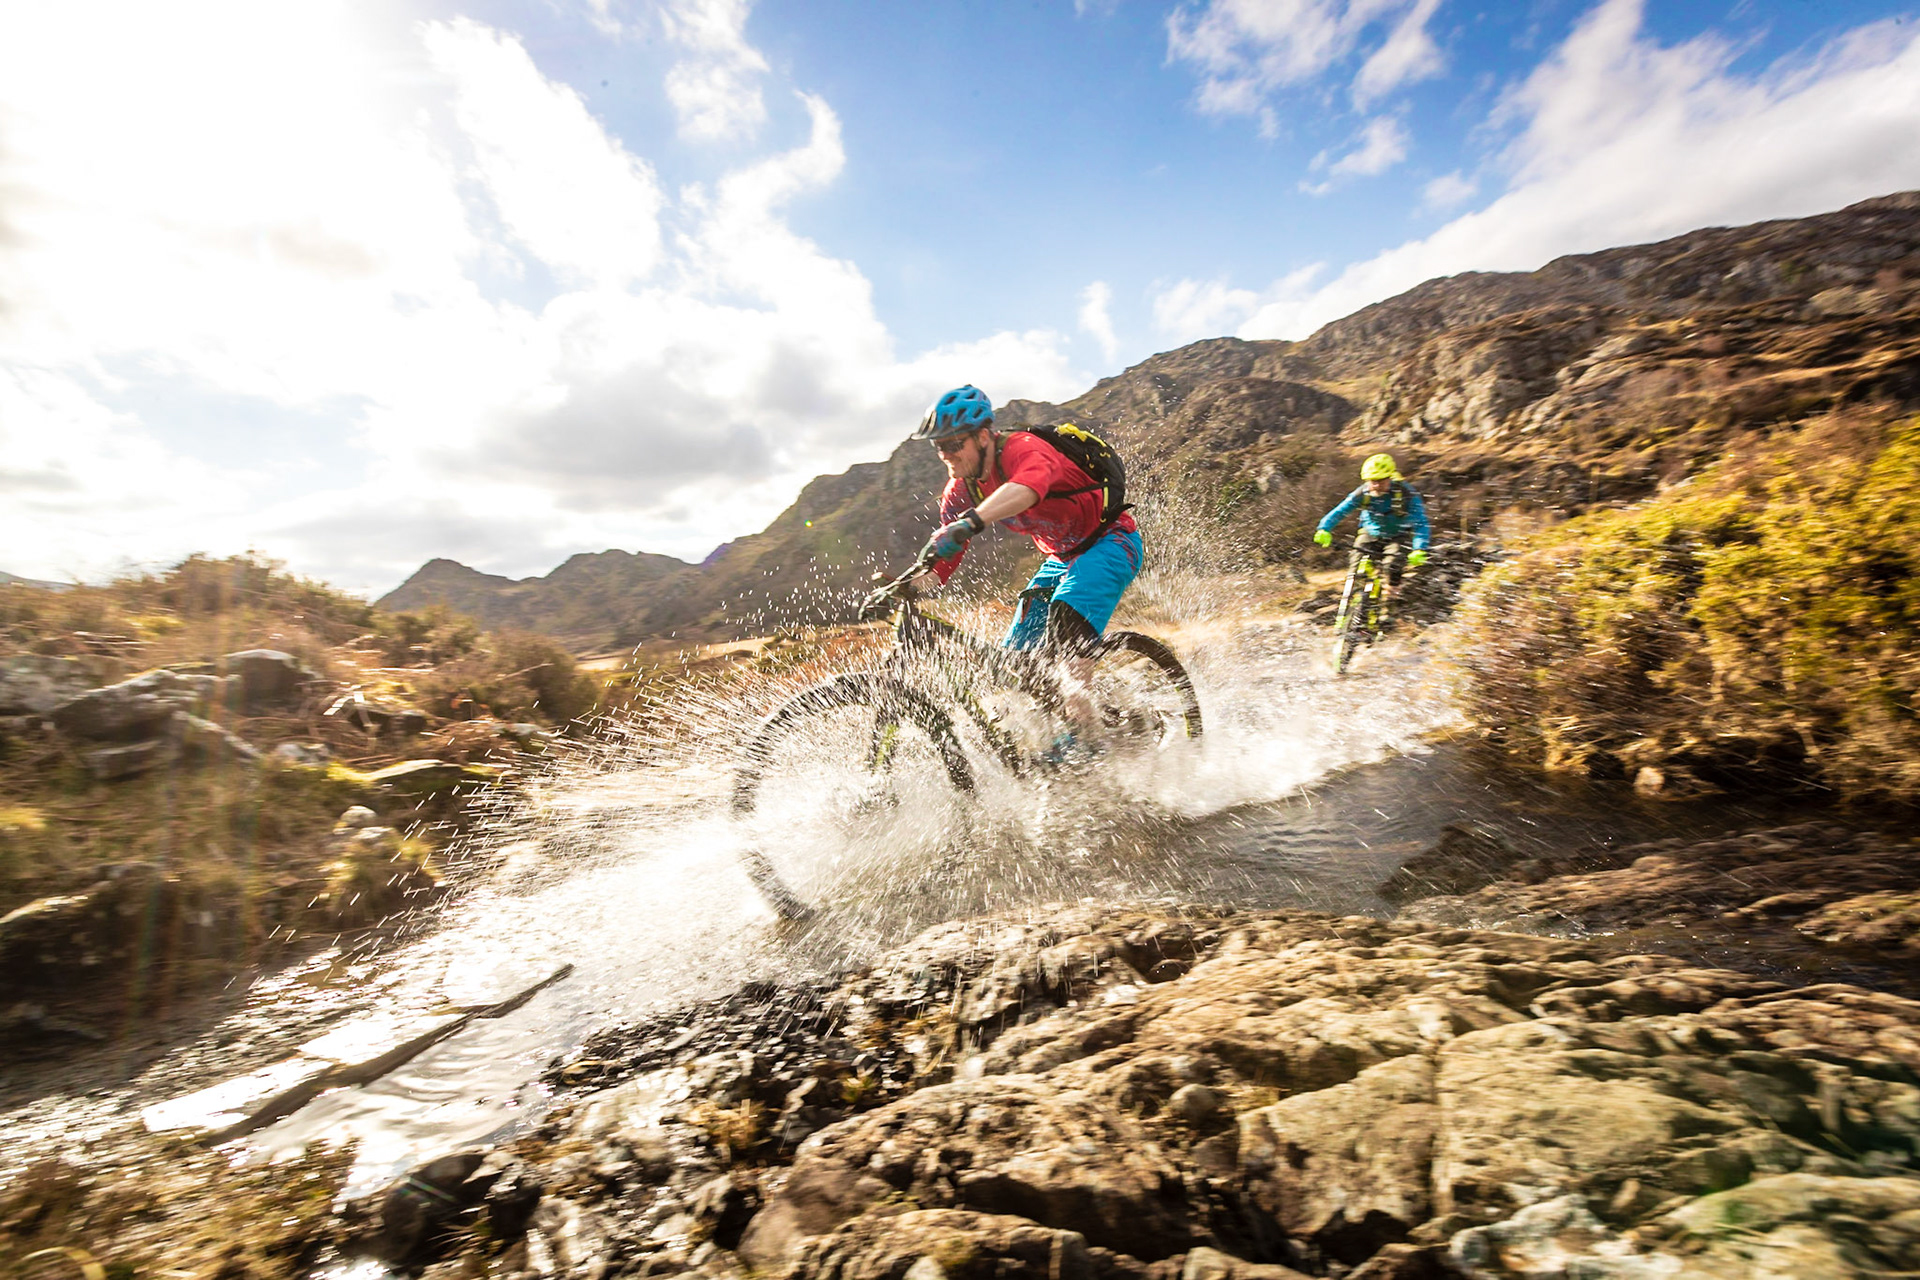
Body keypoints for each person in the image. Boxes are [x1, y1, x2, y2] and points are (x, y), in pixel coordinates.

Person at [899, 385, 1143, 755]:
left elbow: (1028, 487)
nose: (946, 454)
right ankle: (1075, 723)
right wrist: (906, 587)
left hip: (1110, 542)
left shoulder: (1023, 449)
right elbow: (943, 558)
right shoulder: (961, 490)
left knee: (1068, 644)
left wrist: (971, 522)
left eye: (954, 443)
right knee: (1015, 665)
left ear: (983, 436)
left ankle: (1093, 748)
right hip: (1061, 559)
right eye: (939, 446)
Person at [1313, 453, 1430, 629]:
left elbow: (1421, 522)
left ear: (1390, 477)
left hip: (1398, 536)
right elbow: (1340, 510)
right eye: (1371, 481)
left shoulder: (1406, 494)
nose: (1375, 485)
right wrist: (1324, 528)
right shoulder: (1363, 492)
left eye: (1380, 481)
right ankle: (1347, 611)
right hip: (1369, 534)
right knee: (1355, 568)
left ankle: (1389, 608)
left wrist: (1419, 548)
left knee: (1393, 566)